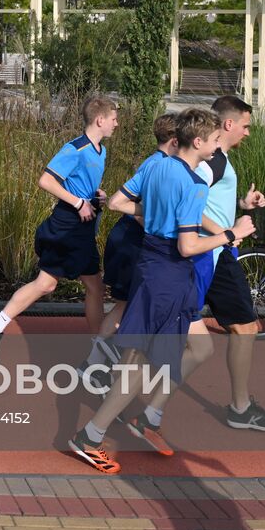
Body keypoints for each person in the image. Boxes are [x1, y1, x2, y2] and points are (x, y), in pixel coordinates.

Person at [69, 107, 252, 474]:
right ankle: (91, 435)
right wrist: (232, 234)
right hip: (169, 273)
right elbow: (188, 247)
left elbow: (119, 202)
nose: (219, 147)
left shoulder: (156, 165)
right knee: (136, 363)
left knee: (185, 350)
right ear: (198, 141)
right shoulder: (195, 183)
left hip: (154, 267)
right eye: (215, 141)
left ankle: (139, 417)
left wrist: (155, 215)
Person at [0, 95, 118, 362]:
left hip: (82, 228)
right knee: (68, 285)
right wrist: (79, 202)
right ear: (100, 120)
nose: (116, 124)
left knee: (72, 286)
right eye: (113, 119)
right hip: (68, 227)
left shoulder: (101, 150)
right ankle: (98, 352)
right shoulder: (74, 149)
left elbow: (80, 184)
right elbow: (46, 181)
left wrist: (95, 195)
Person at [195, 96, 265, 430]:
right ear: (228, 124)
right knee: (244, 328)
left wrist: (241, 204)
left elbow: (207, 202)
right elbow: (186, 201)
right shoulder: (213, 160)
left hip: (217, 252)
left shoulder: (220, 159)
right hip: (214, 255)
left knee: (197, 333)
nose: (249, 132)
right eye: (246, 125)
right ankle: (240, 408)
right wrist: (227, 232)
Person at [82, 113, 179, 389]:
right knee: (130, 306)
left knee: (124, 305)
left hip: (127, 240)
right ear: (174, 141)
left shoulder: (156, 161)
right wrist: (154, 222)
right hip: (132, 243)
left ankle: (93, 363)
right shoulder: (161, 166)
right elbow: (127, 204)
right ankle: (106, 366)